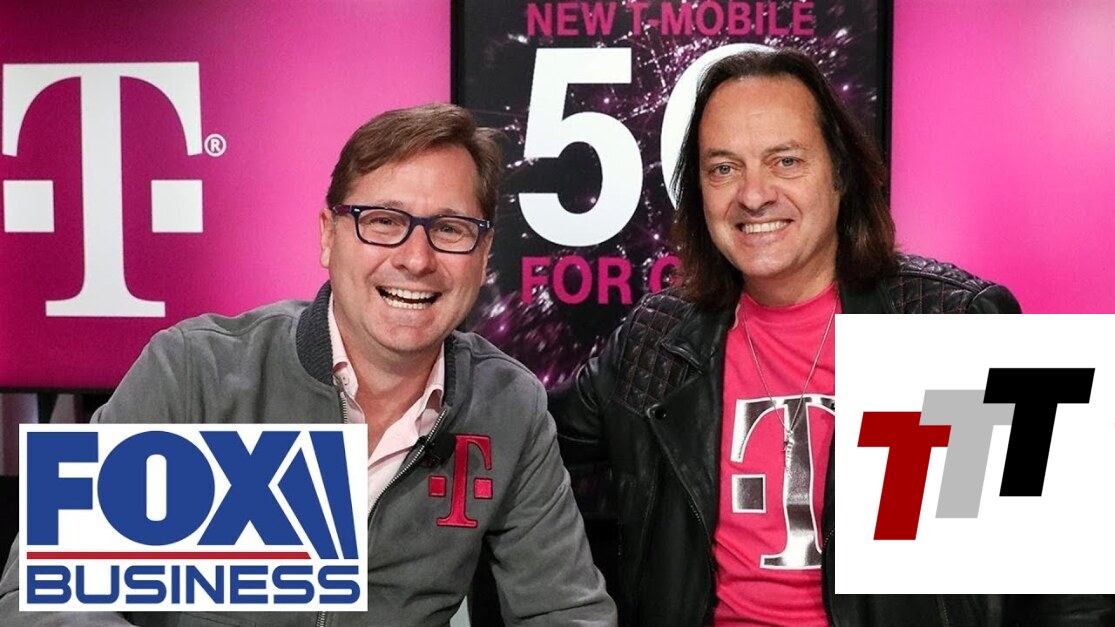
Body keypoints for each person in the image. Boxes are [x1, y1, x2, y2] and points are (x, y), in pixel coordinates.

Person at [550, 48, 1113, 626]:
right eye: (723, 168)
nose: (753, 194)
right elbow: (526, 442)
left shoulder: (948, 321)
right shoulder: (657, 340)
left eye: (786, 161)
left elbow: (1072, 586)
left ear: (841, 174)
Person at [0, 103, 616, 626]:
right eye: (383, 222)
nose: (416, 259)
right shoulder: (194, 370)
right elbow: (38, 593)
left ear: (483, 256)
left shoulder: (508, 405)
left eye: (450, 230)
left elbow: (566, 611)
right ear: (327, 235)